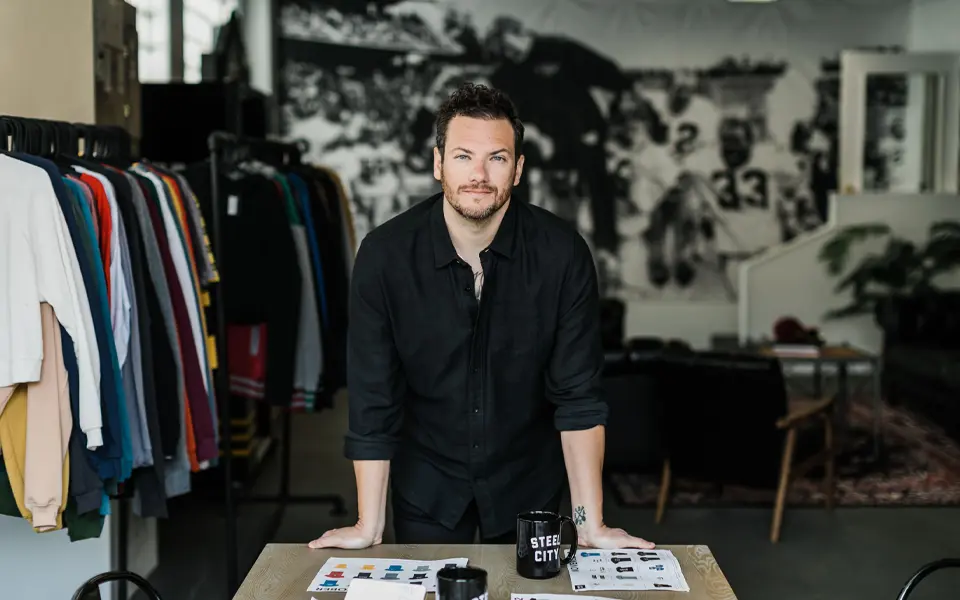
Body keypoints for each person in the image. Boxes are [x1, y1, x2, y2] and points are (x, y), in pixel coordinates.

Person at [308, 82, 653, 550]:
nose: (479, 174)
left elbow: (579, 398)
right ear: (438, 164)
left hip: (529, 483)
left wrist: (589, 522)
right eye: (463, 156)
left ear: (518, 169)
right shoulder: (384, 256)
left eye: (497, 158)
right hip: (427, 482)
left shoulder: (562, 254)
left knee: (530, 586)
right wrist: (368, 524)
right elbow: (374, 399)